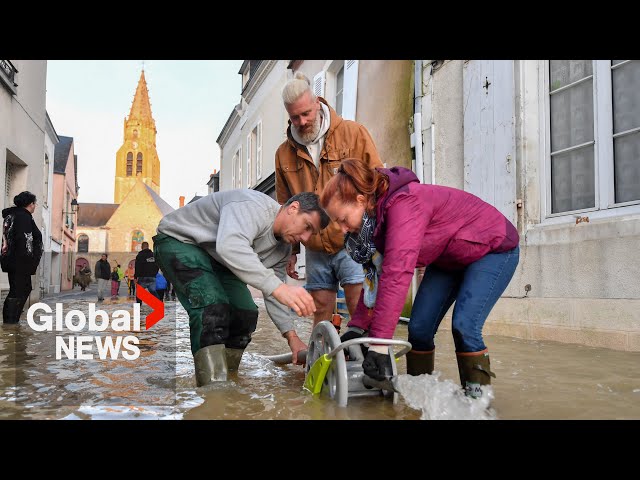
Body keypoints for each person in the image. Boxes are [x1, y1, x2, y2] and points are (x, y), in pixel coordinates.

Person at [320, 159, 520, 398]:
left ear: (361, 201)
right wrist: (358, 326)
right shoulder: (376, 221)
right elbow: (376, 276)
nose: (342, 229)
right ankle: (418, 399)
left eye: (342, 219)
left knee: (465, 327)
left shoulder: (404, 204)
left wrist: (380, 345)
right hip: (449, 258)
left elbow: (397, 274)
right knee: (419, 329)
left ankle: (478, 404)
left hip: (493, 248)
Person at [152, 190, 329, 387]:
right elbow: (230, 246)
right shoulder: (252, 207)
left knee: (246, 313)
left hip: (219, 260)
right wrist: (279, 288)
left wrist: (292, 337)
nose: (305, 238)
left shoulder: (283, 250)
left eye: (310, 233)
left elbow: (273, 294)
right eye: (307, 226)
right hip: (179, 241)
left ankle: (229, 380)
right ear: (293, 208)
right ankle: (214, 392)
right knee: (212, 306)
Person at [274, 72, 383, 330]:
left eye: (306, 114)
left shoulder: (353, 134)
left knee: (359, 307)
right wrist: (291, 252)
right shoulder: (283, 154)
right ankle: (321, 365)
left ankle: (363, 362)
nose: (301, 121)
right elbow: (285, 206)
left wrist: (376, 234)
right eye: (294, 117)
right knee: (320, 310)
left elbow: (378, 182)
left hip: (353, 239)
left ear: (317, 104)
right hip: (315, 246)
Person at [1, 191, 43, 324]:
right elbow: (26, 239)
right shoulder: (24, 217)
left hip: (13, 259)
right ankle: (11, 323)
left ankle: (12, 321)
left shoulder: (12, 215)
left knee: (19, 289)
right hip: (21, 261)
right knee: (19, 291)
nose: (35, 206)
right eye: (34, 203)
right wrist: (30, 262)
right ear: (30, 204)